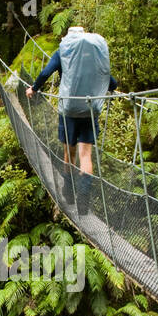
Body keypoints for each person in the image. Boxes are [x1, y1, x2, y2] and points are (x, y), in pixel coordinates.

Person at [26, 26, 116, 213]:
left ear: (68, 38)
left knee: (69, 154)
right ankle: (83, 200)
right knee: (86, 156)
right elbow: (110, 80)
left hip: (68, 111)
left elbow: (45, 73)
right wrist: (113, 87)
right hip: (90, 110)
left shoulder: (63, 52)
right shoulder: (93, 55)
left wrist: (33, 88)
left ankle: (68, 190)